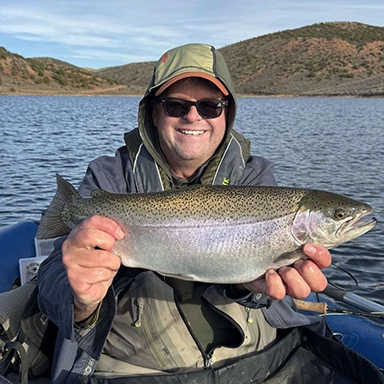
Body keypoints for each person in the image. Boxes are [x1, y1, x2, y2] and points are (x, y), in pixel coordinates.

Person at [37, 43, 332, 383]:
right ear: (153, 112)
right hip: (137, 369)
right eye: (176, 105)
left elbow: (268, 289)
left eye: (210, 106)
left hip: (250, 360)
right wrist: (80, 302)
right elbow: (52, 277)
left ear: (227, 114)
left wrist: (247, 286)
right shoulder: (110, 178)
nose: (194, 117)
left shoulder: (255, 178)